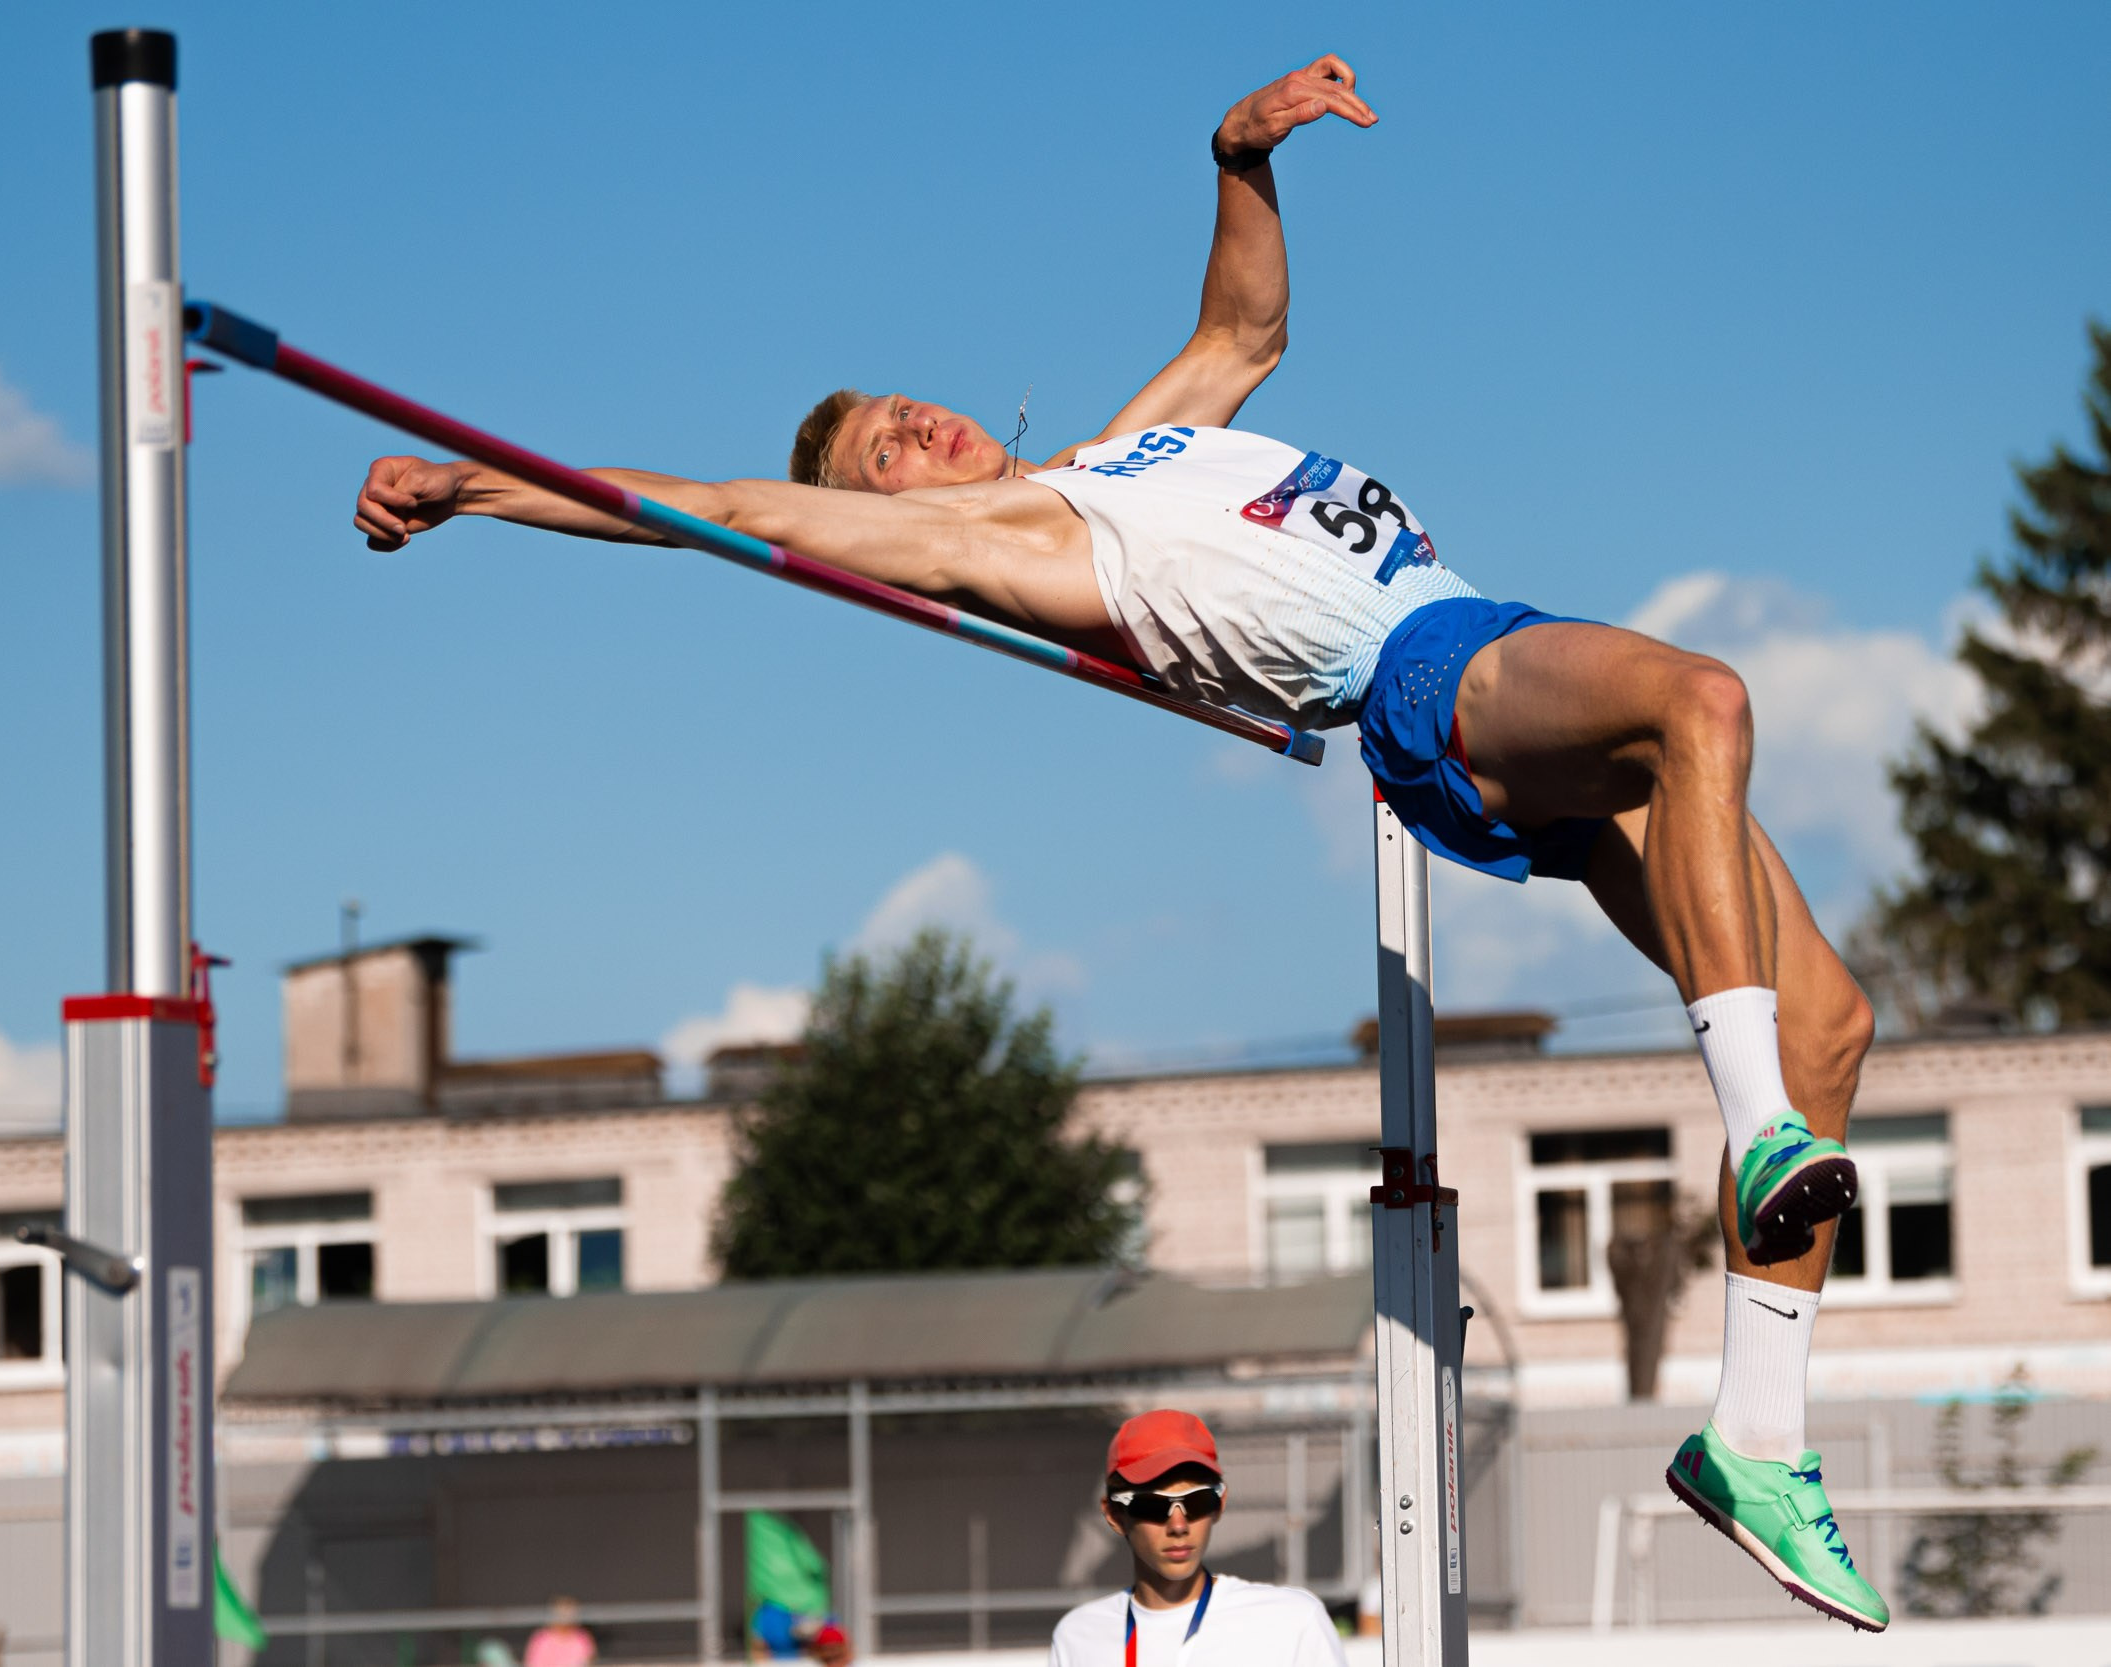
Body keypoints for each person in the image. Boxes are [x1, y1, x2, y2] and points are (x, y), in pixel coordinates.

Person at [351, 54, 1885, 1632]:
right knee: (1702, 698)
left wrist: (1238, 158)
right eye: (884, 450)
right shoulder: (994, 539)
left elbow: (1247, 332)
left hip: (1480, 651)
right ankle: (1762, 1128)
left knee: (1835, 1013)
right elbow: (716, 504)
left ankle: (1758, 1433)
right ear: (886, 517)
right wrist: (479, 486)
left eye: (906, 408)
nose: (916, 430)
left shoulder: (1117, 455)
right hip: (1428, 677)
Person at [1046, 1410, 1341, 1667]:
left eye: (1197, 1501)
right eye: (1155, 1504)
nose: (1178, 1524)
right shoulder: (1078, 1636)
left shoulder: (1291, 1621)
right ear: (1114, 1515)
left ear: (1220, 1505)